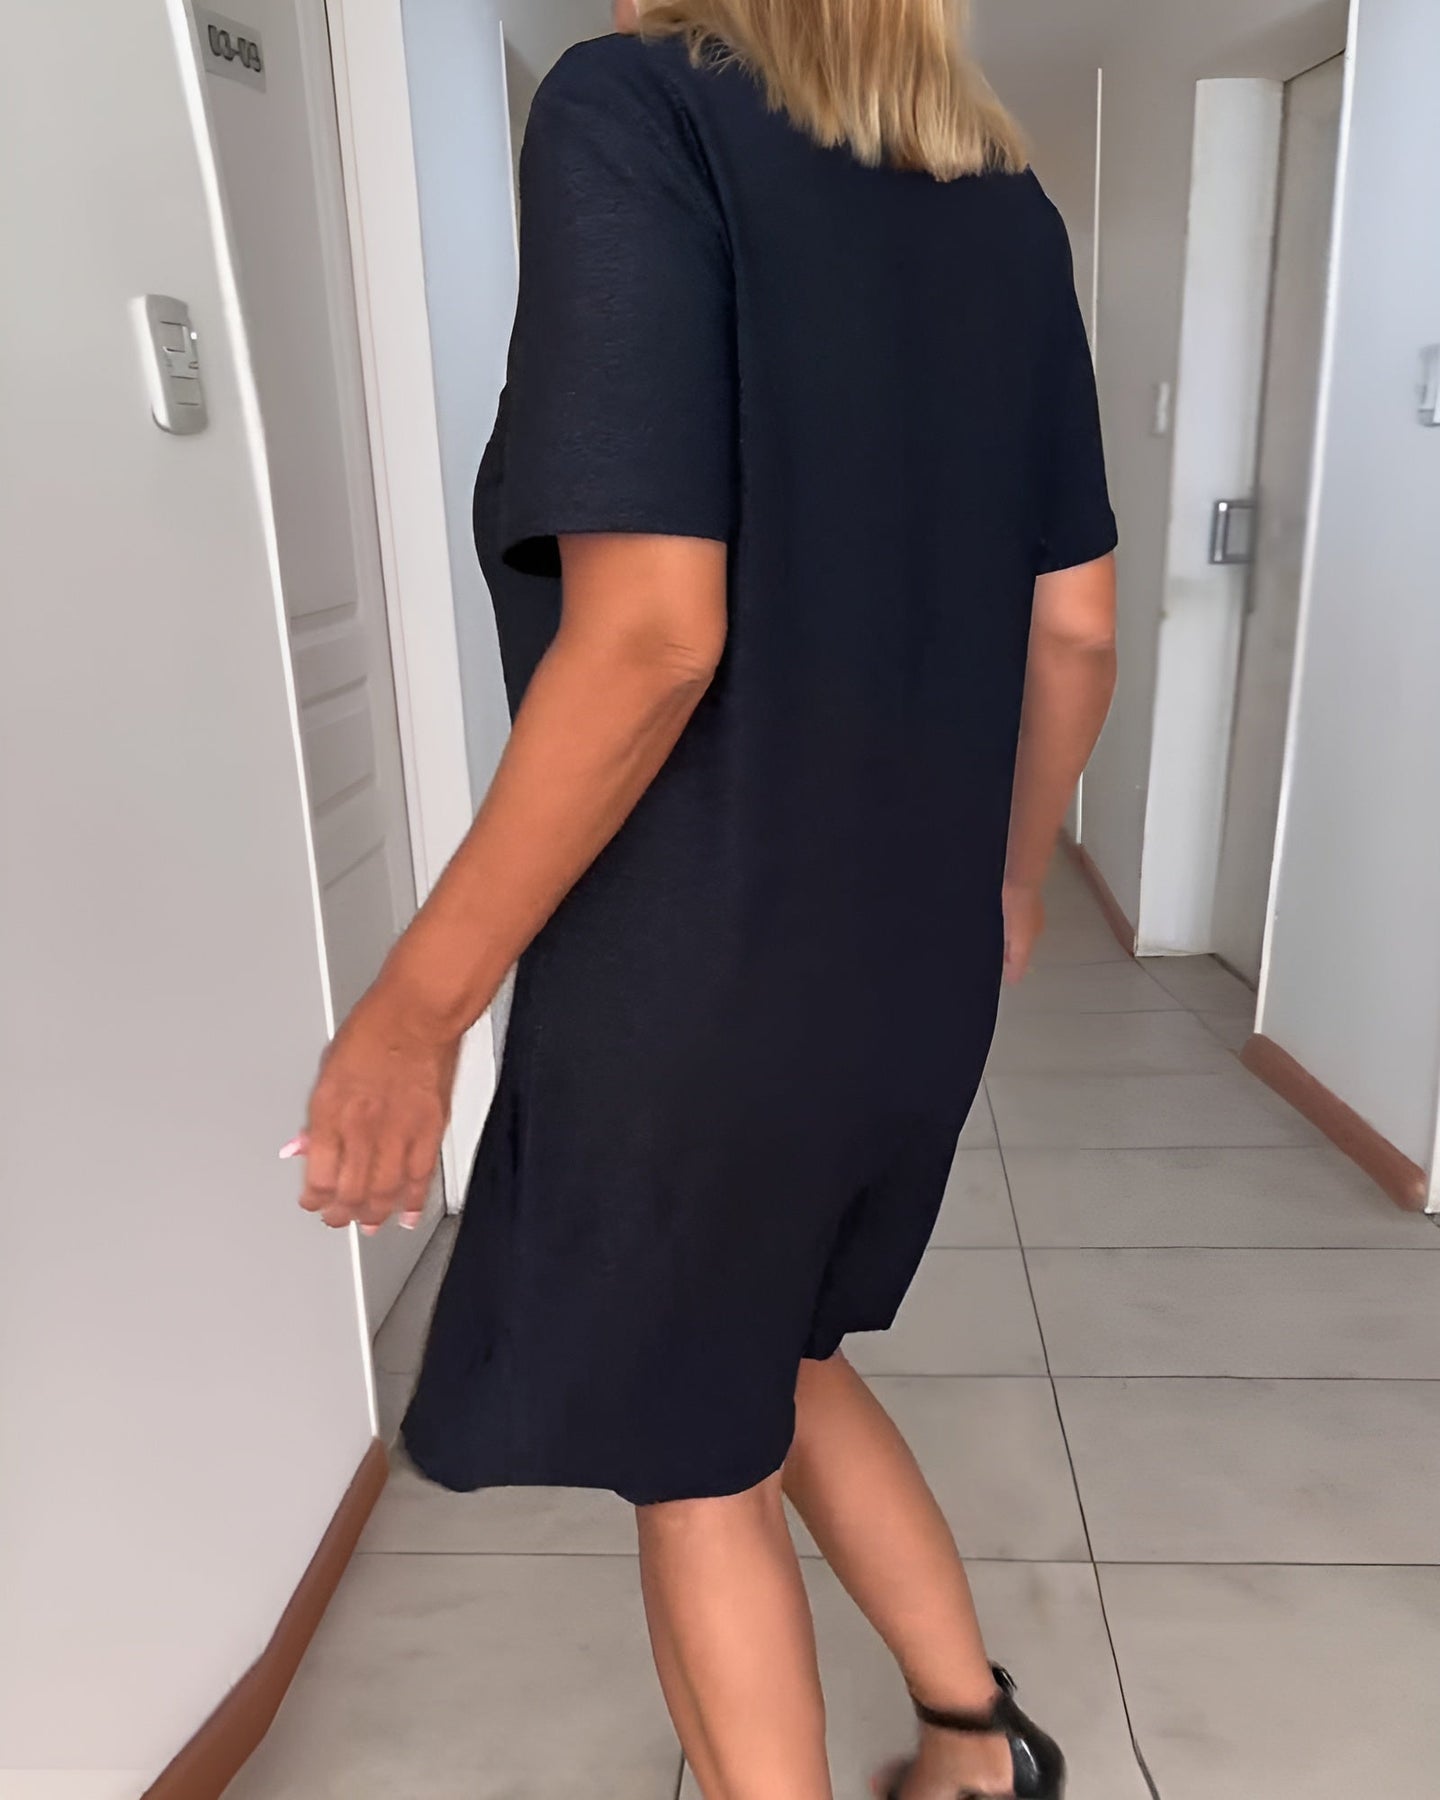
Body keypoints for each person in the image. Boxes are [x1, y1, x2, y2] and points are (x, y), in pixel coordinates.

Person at [290, 1, 1117, 1794]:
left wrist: (416, 1010)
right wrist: (1008, 880)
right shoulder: (1006, 205)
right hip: (913, 956)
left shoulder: (632, 110)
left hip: (702, 968)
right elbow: (1076, 627)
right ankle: (979, 1746)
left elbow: (656, 632)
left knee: (694, 1454)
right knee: (779, 1355)